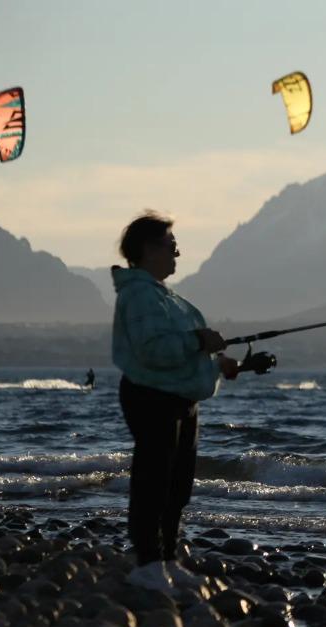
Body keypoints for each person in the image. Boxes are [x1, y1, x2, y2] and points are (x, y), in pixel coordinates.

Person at [111, 210, 243, 593]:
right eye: (172, 246)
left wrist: (218, 364)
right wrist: (201, 341)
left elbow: (179, 353)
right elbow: (154, 351)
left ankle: (166, 559)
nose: (178, 254)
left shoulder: (160, 295)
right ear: (150, 249)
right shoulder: (138, 294)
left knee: (177, 485)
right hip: (152, 398)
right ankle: (147, 564)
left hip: (179, 399)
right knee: (154, 480)